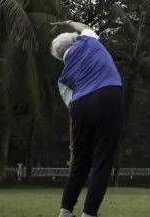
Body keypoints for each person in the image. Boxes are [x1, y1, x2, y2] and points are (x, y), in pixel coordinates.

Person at [50, 20, 124, 217]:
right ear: (74, 41)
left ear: (60, 57)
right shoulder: (88, 41)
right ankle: (89, 213)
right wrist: (67, 22)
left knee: (80, 162)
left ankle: (65, 211)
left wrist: (74, 142)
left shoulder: (62, 80)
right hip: (109, 95)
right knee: (102, 160)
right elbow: (83, 27)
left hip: (81, 106)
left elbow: (72, 111)